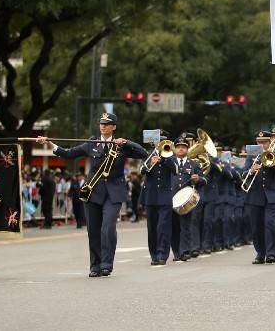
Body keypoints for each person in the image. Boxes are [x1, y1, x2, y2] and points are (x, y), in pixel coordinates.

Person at [37, 112, 147, 278]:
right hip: (93, 191)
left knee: (108, 227)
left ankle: (106, 264)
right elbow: (68, 153)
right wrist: (49, 143)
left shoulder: (121, 146)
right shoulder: (91, 143)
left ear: (114, 127)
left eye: (107, 123)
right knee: (93, 231)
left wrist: (126, 142)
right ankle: (95, 265)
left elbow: (143, 153)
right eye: (101, 123)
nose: (103, 126)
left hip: (113, 193)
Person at [242, 131, 275, 264]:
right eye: (259, 143)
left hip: (270, 195)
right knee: (256, 226)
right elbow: (242, 174)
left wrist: (271, 163)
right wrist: (251, 171)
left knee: (270, 223)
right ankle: (260, 253)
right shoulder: (251, 157)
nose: (261, 145)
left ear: (269, 143)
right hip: (254, 195)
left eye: (264, 143)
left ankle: (272, 253)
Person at [140, 133, 177, 265]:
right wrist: (151, 162)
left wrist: (164, 160)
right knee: (152, 227)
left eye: (162, 142)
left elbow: (176, 170)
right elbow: (141, 170)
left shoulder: (170, 156)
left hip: (165, 196)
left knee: (163, 226)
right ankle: (154, 255)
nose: (160, 144)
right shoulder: (148, 154)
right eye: (158, 141)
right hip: (150, 195)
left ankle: (162, 254)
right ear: (154, 143)